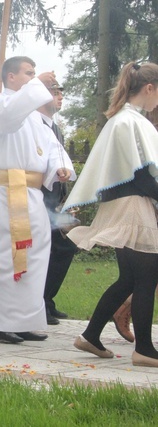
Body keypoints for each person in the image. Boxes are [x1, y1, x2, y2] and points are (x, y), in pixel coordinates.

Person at [0, 57, 74, 344]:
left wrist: (59, 167)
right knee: (4, 258)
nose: (33, 78)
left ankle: (24, 319)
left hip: (32, 196)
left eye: (35, 73)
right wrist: (39, 85)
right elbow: (11, 116)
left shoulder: (37, 118)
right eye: (28, 73)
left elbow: (53, 147)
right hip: (3, 195)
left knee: (34, 258)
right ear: (10, 77)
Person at [64, 61, 158, 367]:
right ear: (149, 88)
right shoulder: (131, 122)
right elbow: (142, 177)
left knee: (129, 279)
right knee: (146, 277)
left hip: (121, 204)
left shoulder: (123, 120)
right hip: (132, 206)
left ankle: (91, 336)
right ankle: (144, 349)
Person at [39, 82, 79, 325]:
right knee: (48, 249)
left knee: (67, 245)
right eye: (55, 93)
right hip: (42, 197)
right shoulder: (35, 125)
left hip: (57, 200)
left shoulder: (56, 127)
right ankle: (40, 301)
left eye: (61, 93)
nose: (60, 97)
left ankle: (48, 299)